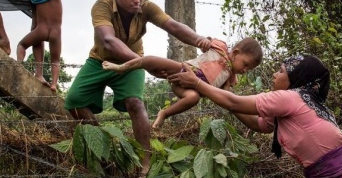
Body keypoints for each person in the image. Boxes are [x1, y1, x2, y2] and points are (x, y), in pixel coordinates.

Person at [64, 0, 212, 178]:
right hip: (101, 61)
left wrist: (200, 40)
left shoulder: (147, 7)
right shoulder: (102, 6)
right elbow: (108, 40)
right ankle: (106, 148)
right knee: (75, 101)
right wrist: (145, 63)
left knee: (135, 103)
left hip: (134, 62)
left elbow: (174, 26)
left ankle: (146, 161)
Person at [169, 54, 342, 178]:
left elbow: (234, 102)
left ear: (295, 78)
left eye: (281, 71)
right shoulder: (302, 102)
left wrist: (198, 82)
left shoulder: (290, 97)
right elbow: (259, 123)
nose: (275, 74)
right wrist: (224, 94)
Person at [102, 37, 263, 129]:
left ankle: (164, 113)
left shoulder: (230, 77)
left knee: (193, 98)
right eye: (245, 64)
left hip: (193, 89)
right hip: (184, 70)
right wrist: (206, 42)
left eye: (249, 69)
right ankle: (122, 67)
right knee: (151, 60)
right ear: (235, 53)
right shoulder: (220, 49)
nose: (245, 70)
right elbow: (205, 42)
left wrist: (228, 93)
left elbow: (227, 97)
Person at [10, 0, 74, 91]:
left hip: (41, 30)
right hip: (56, 33)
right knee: (55, 60)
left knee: (21, 45)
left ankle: (19, 65)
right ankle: (54, 84)